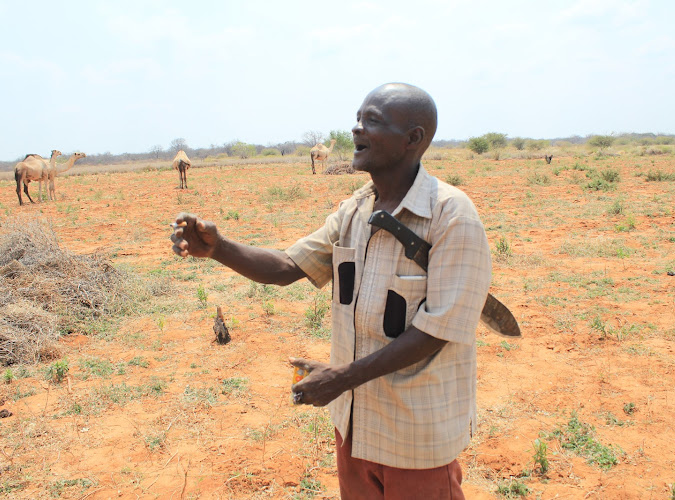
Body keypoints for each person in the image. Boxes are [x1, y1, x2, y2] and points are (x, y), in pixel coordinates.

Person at [170, 83, 492, 499]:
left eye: (372, 121)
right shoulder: (354, 210)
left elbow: (437, 331)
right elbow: (288, 267)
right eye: (358, 118)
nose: (356, 130)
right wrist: (219, 249)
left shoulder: (452, 216)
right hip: (356, 427)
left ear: (413, 138)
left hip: (416, 436)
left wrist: (341, 377)